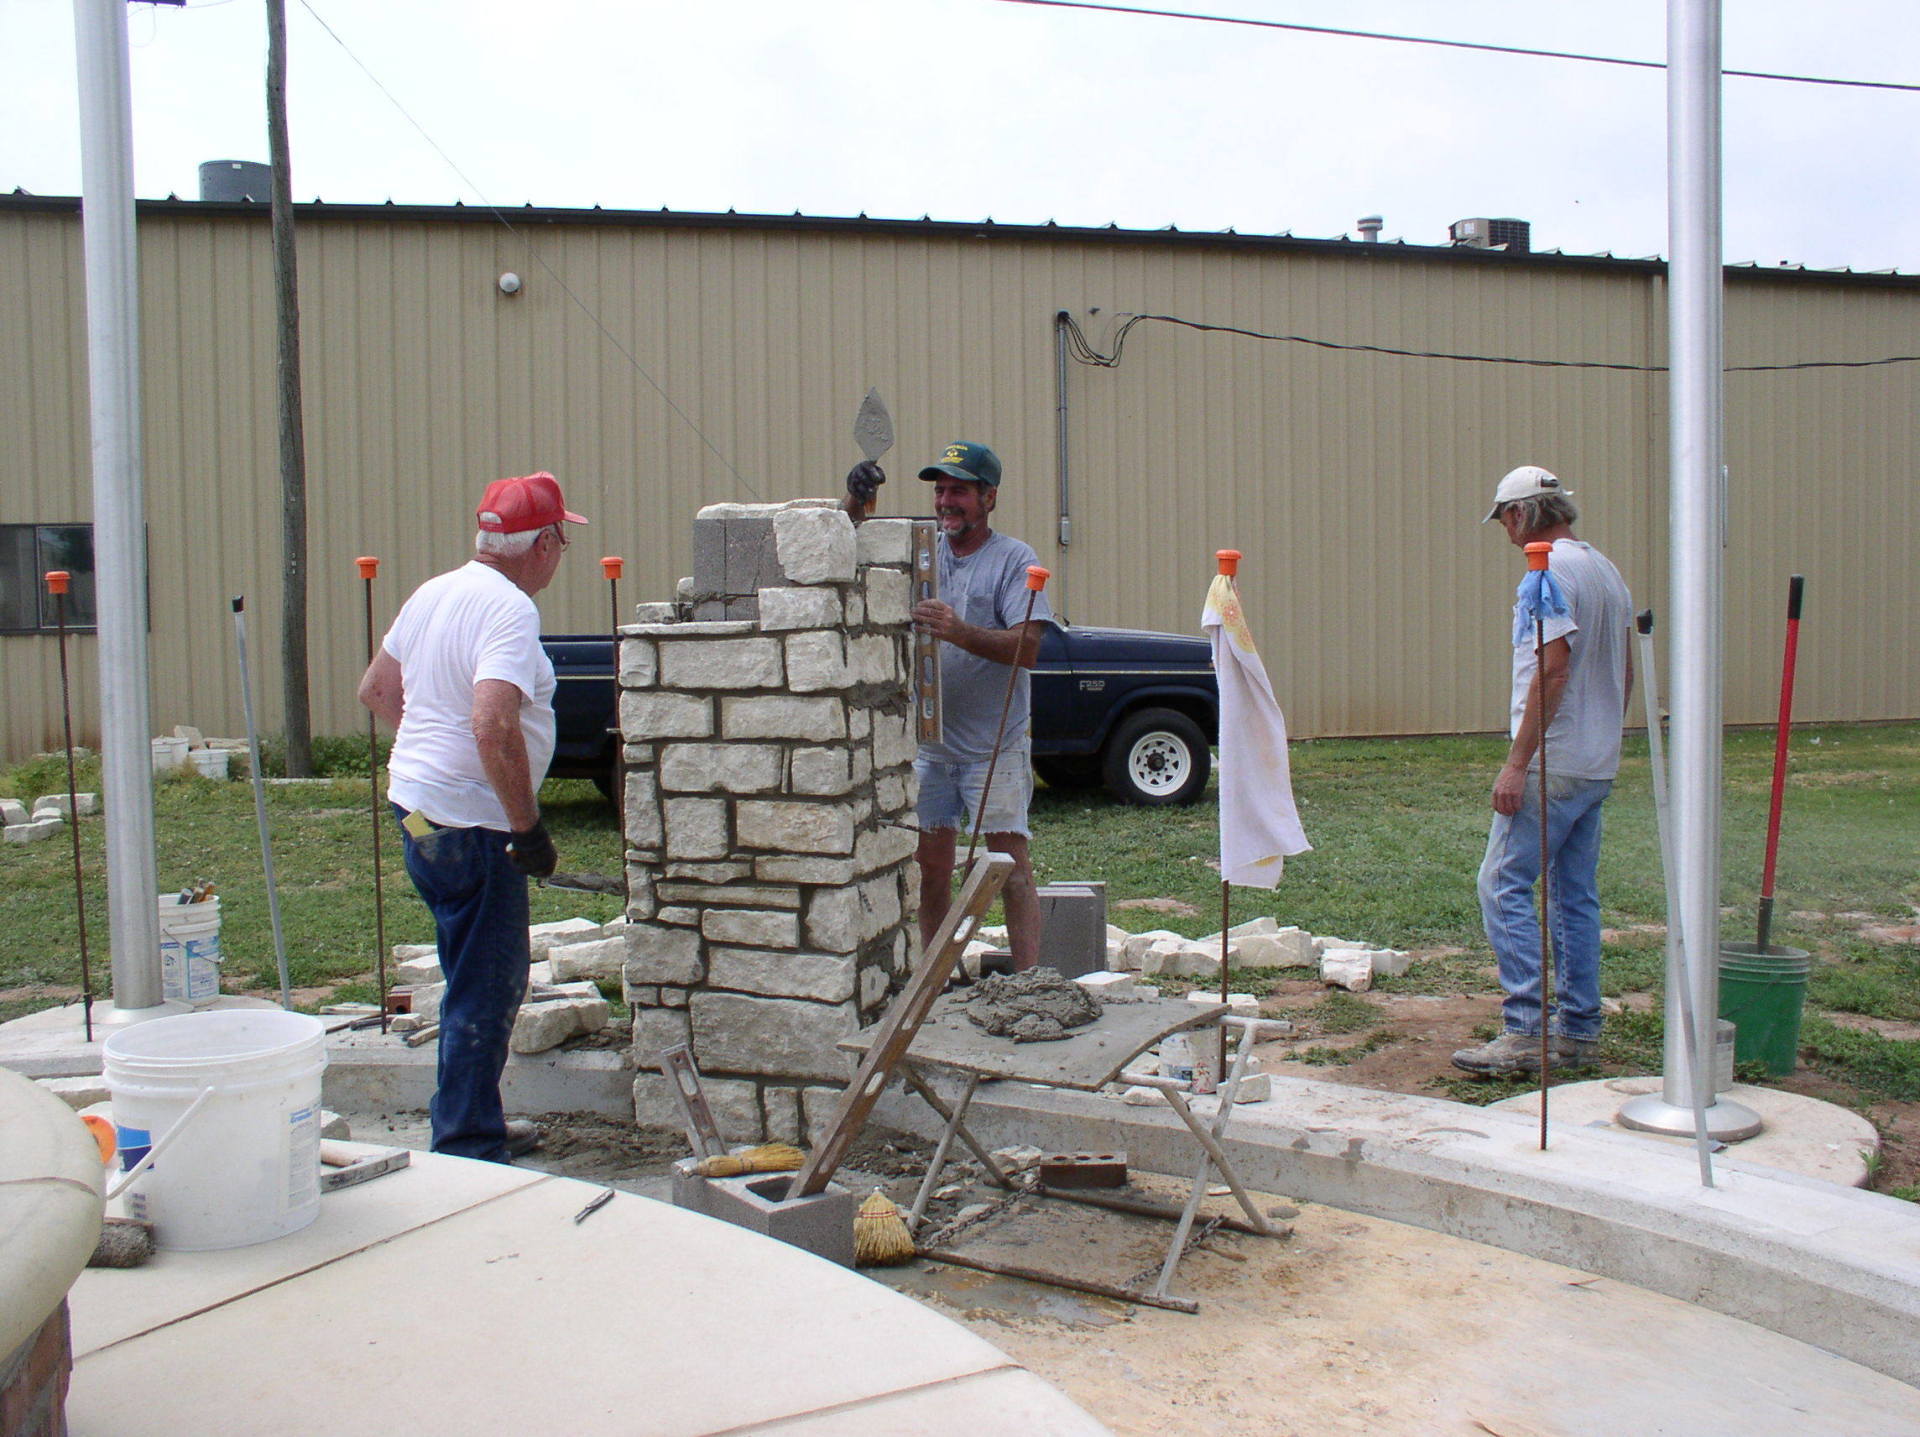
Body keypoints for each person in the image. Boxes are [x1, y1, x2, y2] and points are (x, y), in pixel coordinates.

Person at [356, 471, 584, 1159]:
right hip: (474, 831)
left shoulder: (434, 592)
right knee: (488, 986)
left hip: (419, 819)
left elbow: (376, 689)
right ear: (542, 541)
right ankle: (466, 1145)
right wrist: (527, 828)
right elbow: (492, 722)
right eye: (562, 540)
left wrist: (433, 755)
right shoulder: (508, 610)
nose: (560, 553)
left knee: (467, 974)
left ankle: (472, 1114)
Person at [1454, 465, 1633, 1075]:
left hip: (1552, 763)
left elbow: (1550, 670)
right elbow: (1625, 669)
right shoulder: (1605, 569)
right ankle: (1580, 1030)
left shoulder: (1546, 572)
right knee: (1574, 895)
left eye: (1505, 516)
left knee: (1502, 883)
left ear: (1525, 513)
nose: (1504, 529)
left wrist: (1517, 763)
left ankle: (1526, 1030)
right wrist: (1605, 736)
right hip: (1594, 760)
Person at [912, 441, 1053, 971]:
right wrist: (859, 505)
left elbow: (1030, 648)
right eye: (940, 490)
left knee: (1010, 867)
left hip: (994, 746)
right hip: (931, 747)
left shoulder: (1015, 560)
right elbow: (857, 547)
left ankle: (1028, 983)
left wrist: (960, 631)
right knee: (931, 869)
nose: (946, 501)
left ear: (988, 498)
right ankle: (936, 983)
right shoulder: (921, 551)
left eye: (960, 491)